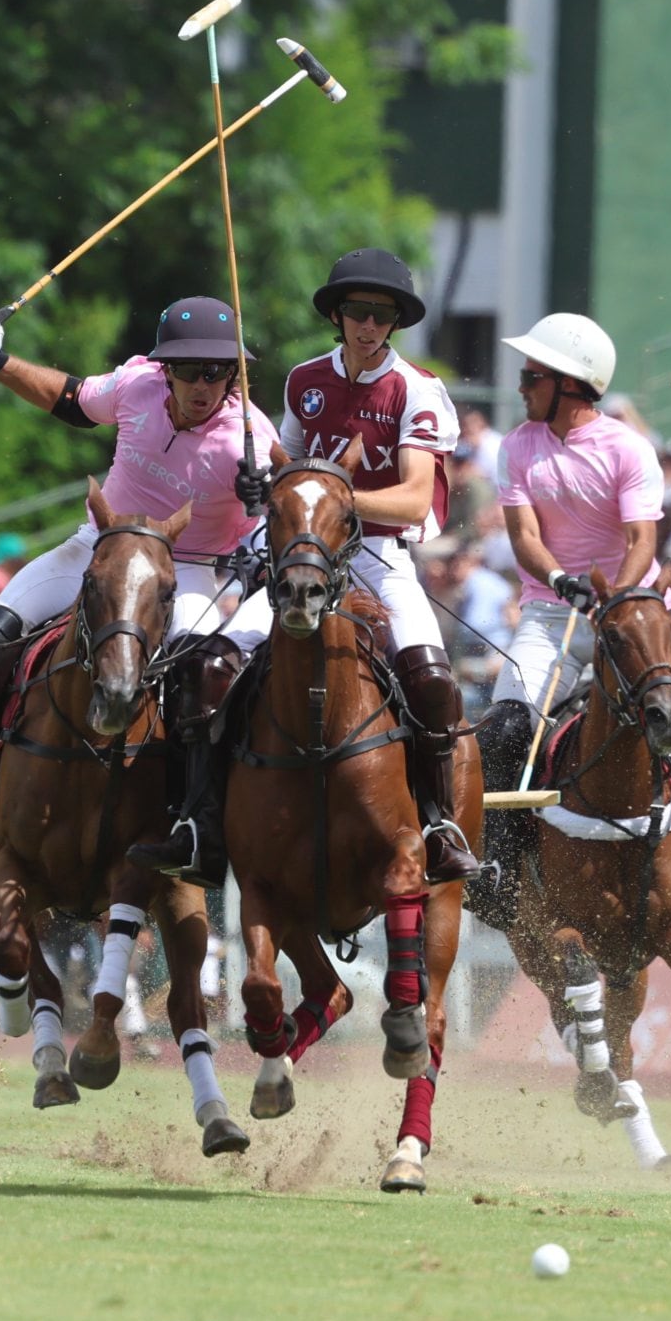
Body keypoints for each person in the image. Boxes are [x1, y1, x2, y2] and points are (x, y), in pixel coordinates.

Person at [153, 248, 482, 886]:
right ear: (338, 314)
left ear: (394, 323)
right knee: (210, 665)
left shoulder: (416, 389)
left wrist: (327, 501)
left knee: (434, 680)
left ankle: (440, 825)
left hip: (378, 558)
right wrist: (266, 489)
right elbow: (288, 465)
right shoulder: (304, 380)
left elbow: (414, 495)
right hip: (302, 556)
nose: (369, 324)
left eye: (382, 315)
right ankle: (197, 821)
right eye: (358, 311)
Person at [0, 295, 280, 870]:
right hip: (99, 548)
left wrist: (267, 493)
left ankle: (194, 822)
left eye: (218, 371)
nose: (204, 384)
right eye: (189, 370)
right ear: (167, 370)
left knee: (200, 675)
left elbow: (294, 501)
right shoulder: (136, 386)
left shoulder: (251, 437)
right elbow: (71, 400)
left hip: (183, 570)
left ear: (234, 373)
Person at [477, 311, 671, 932]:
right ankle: (501, 868)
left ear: (569, 383)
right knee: (503, 731)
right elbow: (524, 535)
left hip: (633, 618)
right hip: (549, 613)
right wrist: (563, 582)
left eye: (533, 374)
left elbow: (642, 539)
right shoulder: (517, 446)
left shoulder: (627, 448)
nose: (522, 384)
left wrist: (612, 599)